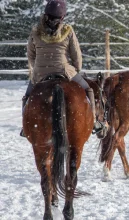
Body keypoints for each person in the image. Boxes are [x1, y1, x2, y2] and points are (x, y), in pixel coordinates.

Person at [20, 0, 106, 137]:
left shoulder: (35, 31)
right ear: (62, 17)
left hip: (40, 73)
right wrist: (76, 69)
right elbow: (76, 54)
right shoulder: (67, 30)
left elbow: (30, 54)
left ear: (45, 14)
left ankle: (25, 126)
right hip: (64, 71)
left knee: (28, 96)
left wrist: (38, 67)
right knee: (88, 89)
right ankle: (95, 120)